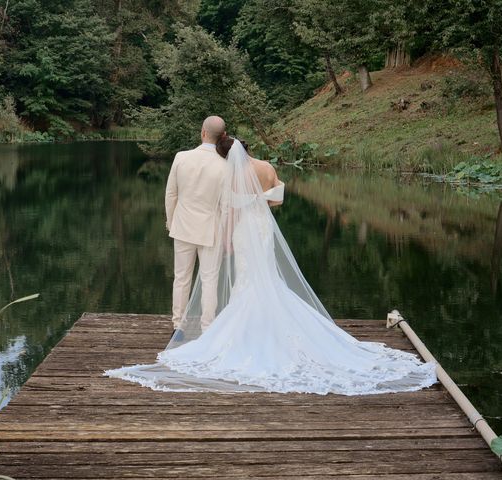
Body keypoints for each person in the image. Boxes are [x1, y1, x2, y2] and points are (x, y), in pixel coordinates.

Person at [105, 137, 437, 394]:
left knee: (245, 280)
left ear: (229, 154)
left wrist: (226, 237)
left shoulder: (234, 174)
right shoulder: (265, 167)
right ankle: (272, 318)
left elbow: (231, 209)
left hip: (242, 230)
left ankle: (244, 326)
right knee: (267, 277)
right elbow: (278, 199)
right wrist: (259, 201)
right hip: (262, 228)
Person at [164, 116, 227, 336]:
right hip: (211, 229)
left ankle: (178, 326)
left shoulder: (181, 157)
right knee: (209, 279)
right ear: (223, 136)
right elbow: (226, 204)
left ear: (202, 132)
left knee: (181, 277)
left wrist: (171, 221)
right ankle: (207, 327)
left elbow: (171, 194)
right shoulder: (225, 164)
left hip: (183, 225)